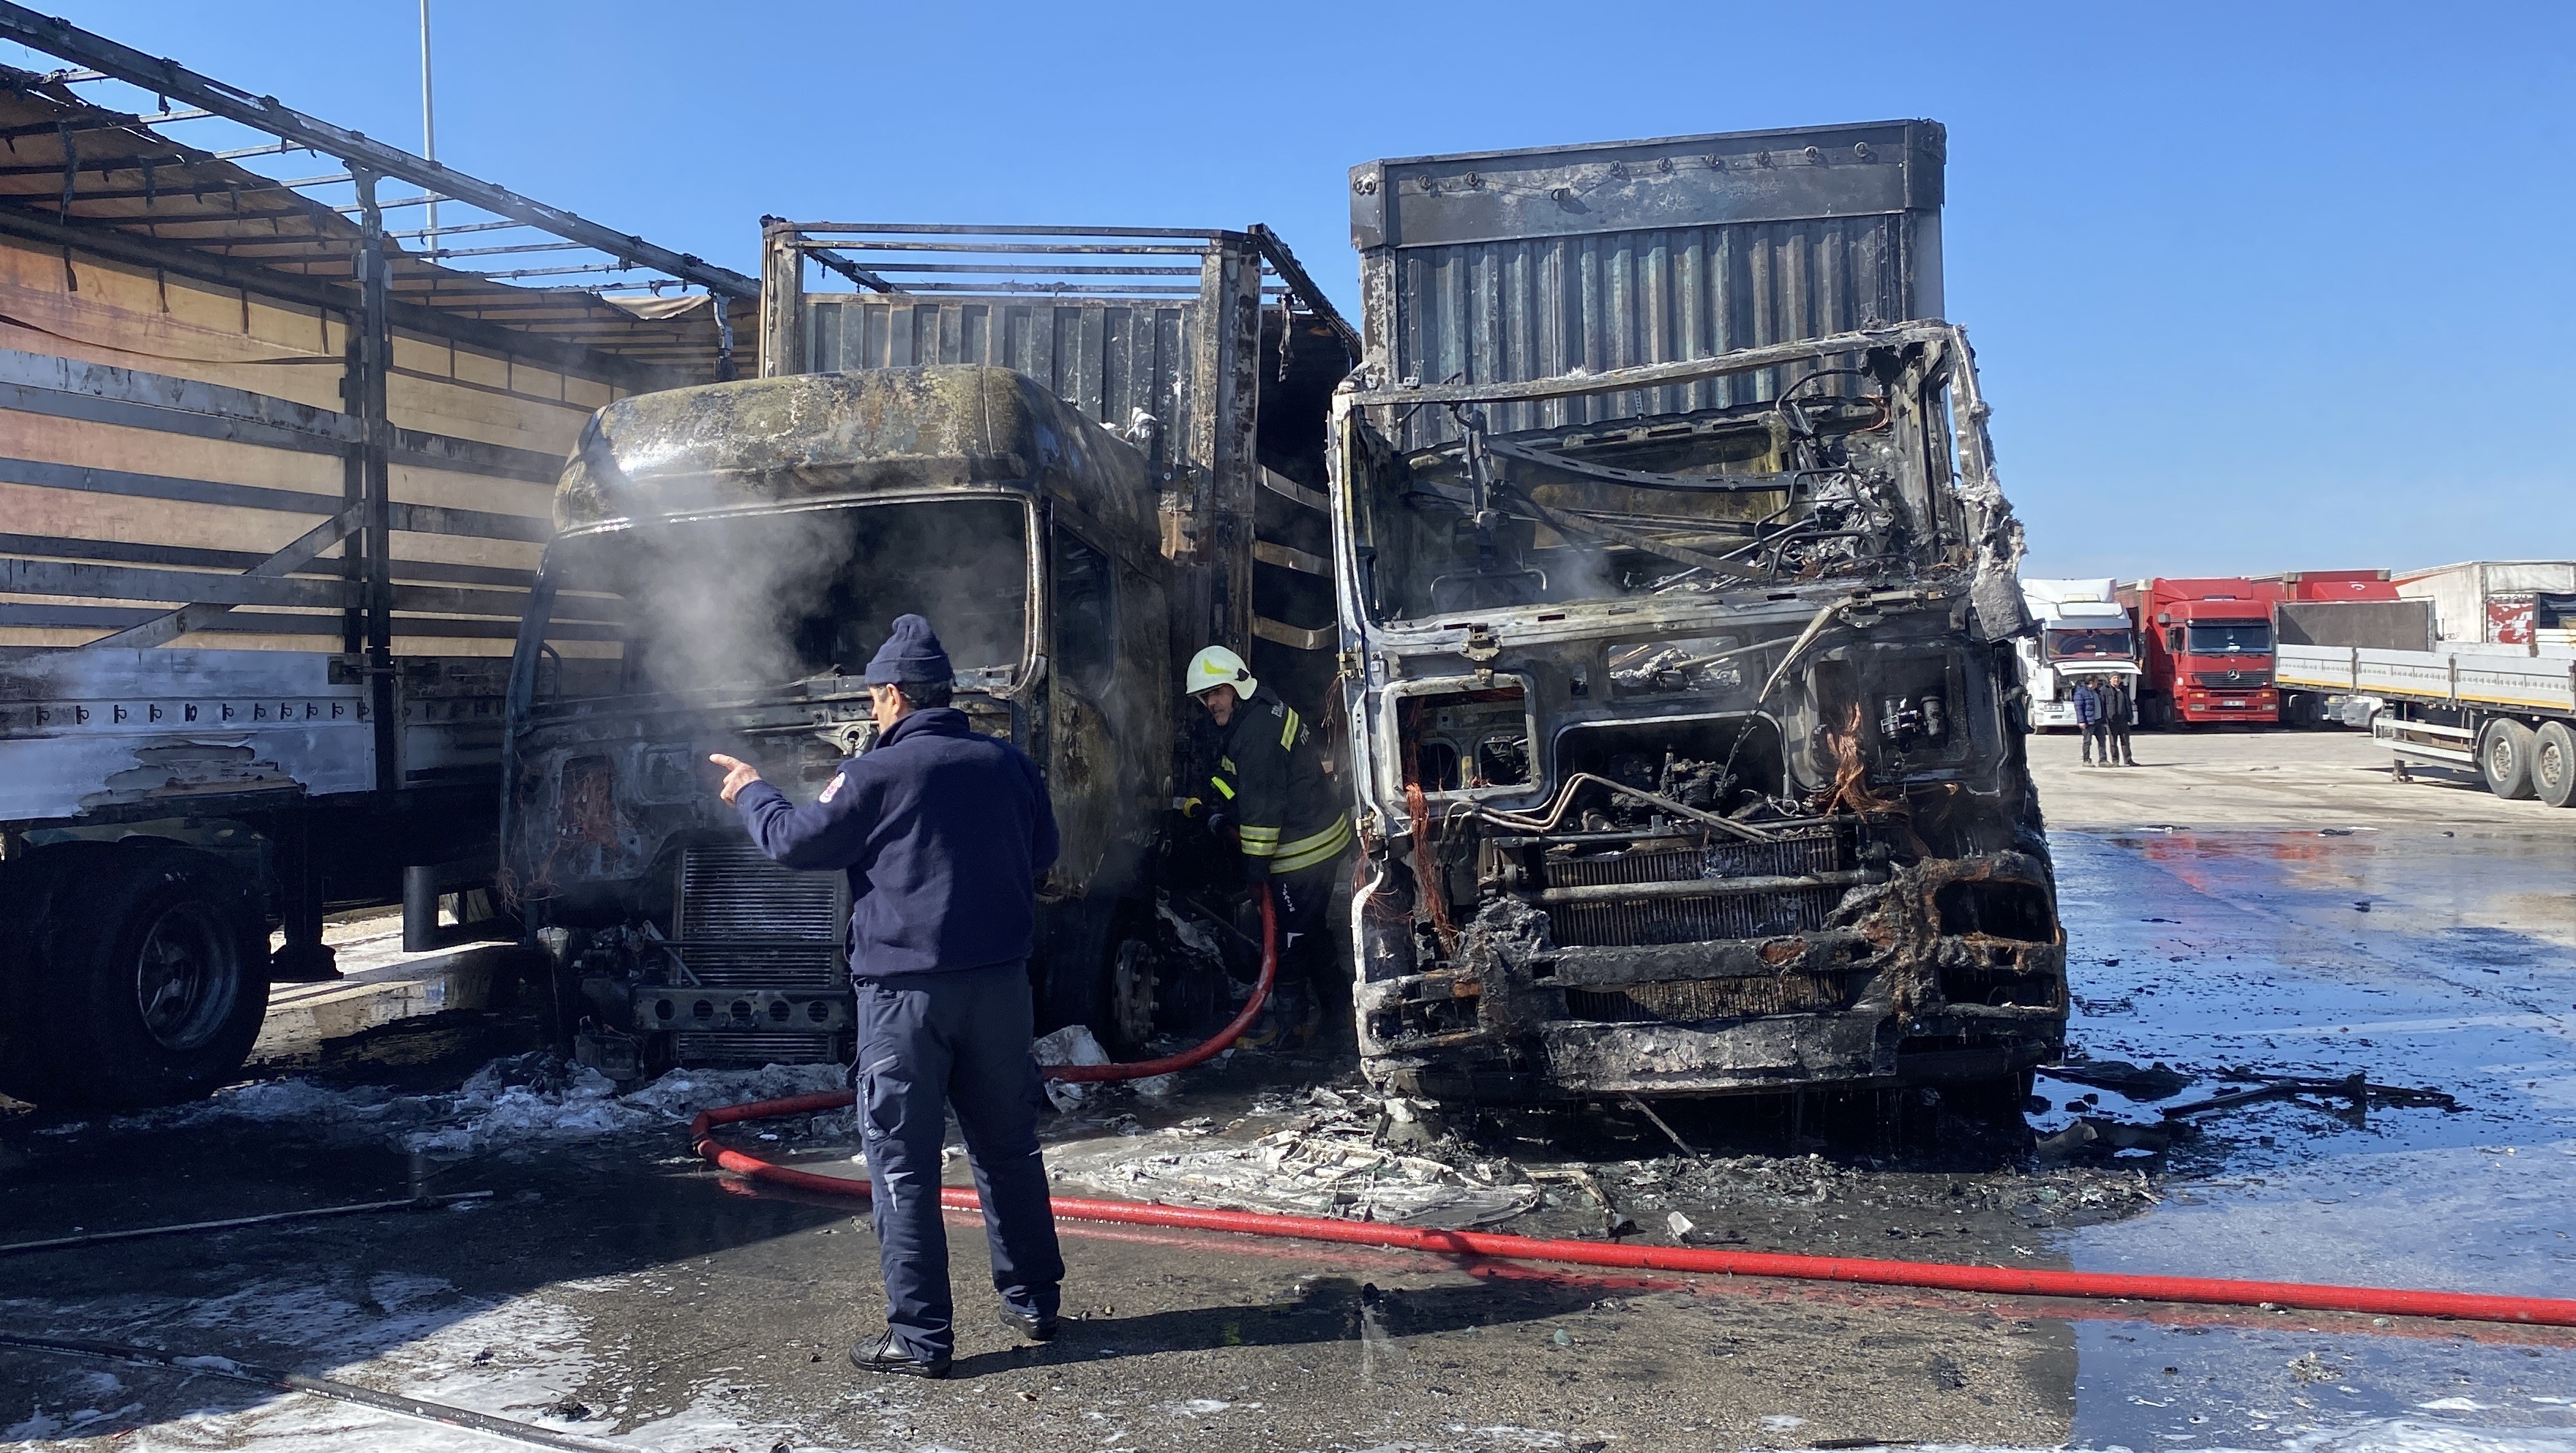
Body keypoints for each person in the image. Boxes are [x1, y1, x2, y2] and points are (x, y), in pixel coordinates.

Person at [708, 614, 1063, 1381]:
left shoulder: (875, 774)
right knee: (1008, 1148)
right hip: (1001, 990)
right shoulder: (1008, 765)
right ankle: (1034, 1302)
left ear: (897, 695)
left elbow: (795, 841)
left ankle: (921, 1340)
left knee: (901, 1164)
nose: (871, 711)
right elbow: (1043, 854)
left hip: (906, 1001)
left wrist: (751, 791)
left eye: (873, 699)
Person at [1183, 645, 1352, 1045]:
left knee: (1289, 941)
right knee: (1309, 931)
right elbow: (1236, 778)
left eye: (1216, 693)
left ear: (1237, 686)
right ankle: (1340, 1012)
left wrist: (1254, 875)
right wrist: (1214, 807)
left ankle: (1290, 1031)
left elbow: (1261, 815)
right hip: (1316, 839)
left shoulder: (1257, 733)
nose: (1210, 703)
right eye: (1205, 697)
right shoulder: (1256, 714)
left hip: (1304, 851)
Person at [2101, 675, 2138, 766]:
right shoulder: (2105, 690)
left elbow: (2128, 704)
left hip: (2123, 720)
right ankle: (2115, 761)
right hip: (2112, 721)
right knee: (2113, 742)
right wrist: (2105, 718)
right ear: (2110, 680)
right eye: (2114, 678)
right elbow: (2103, 705)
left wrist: (2130, 717)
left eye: (2118, 678)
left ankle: (2128, 760)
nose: (2116, 680)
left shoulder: (2123, 690)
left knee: (2126, 741)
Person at [2072, 677, 2107, 767]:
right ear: (2091, 682)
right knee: (2087, 741)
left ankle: (2103, 760)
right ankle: (2086, 760)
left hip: (2099, 720)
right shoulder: (2081, 692)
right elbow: (2079, 708)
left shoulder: (2097, 692)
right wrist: (2081, 721)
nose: (2097, 683)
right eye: (2096, 681)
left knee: (2102, 741)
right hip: (2089, 721)